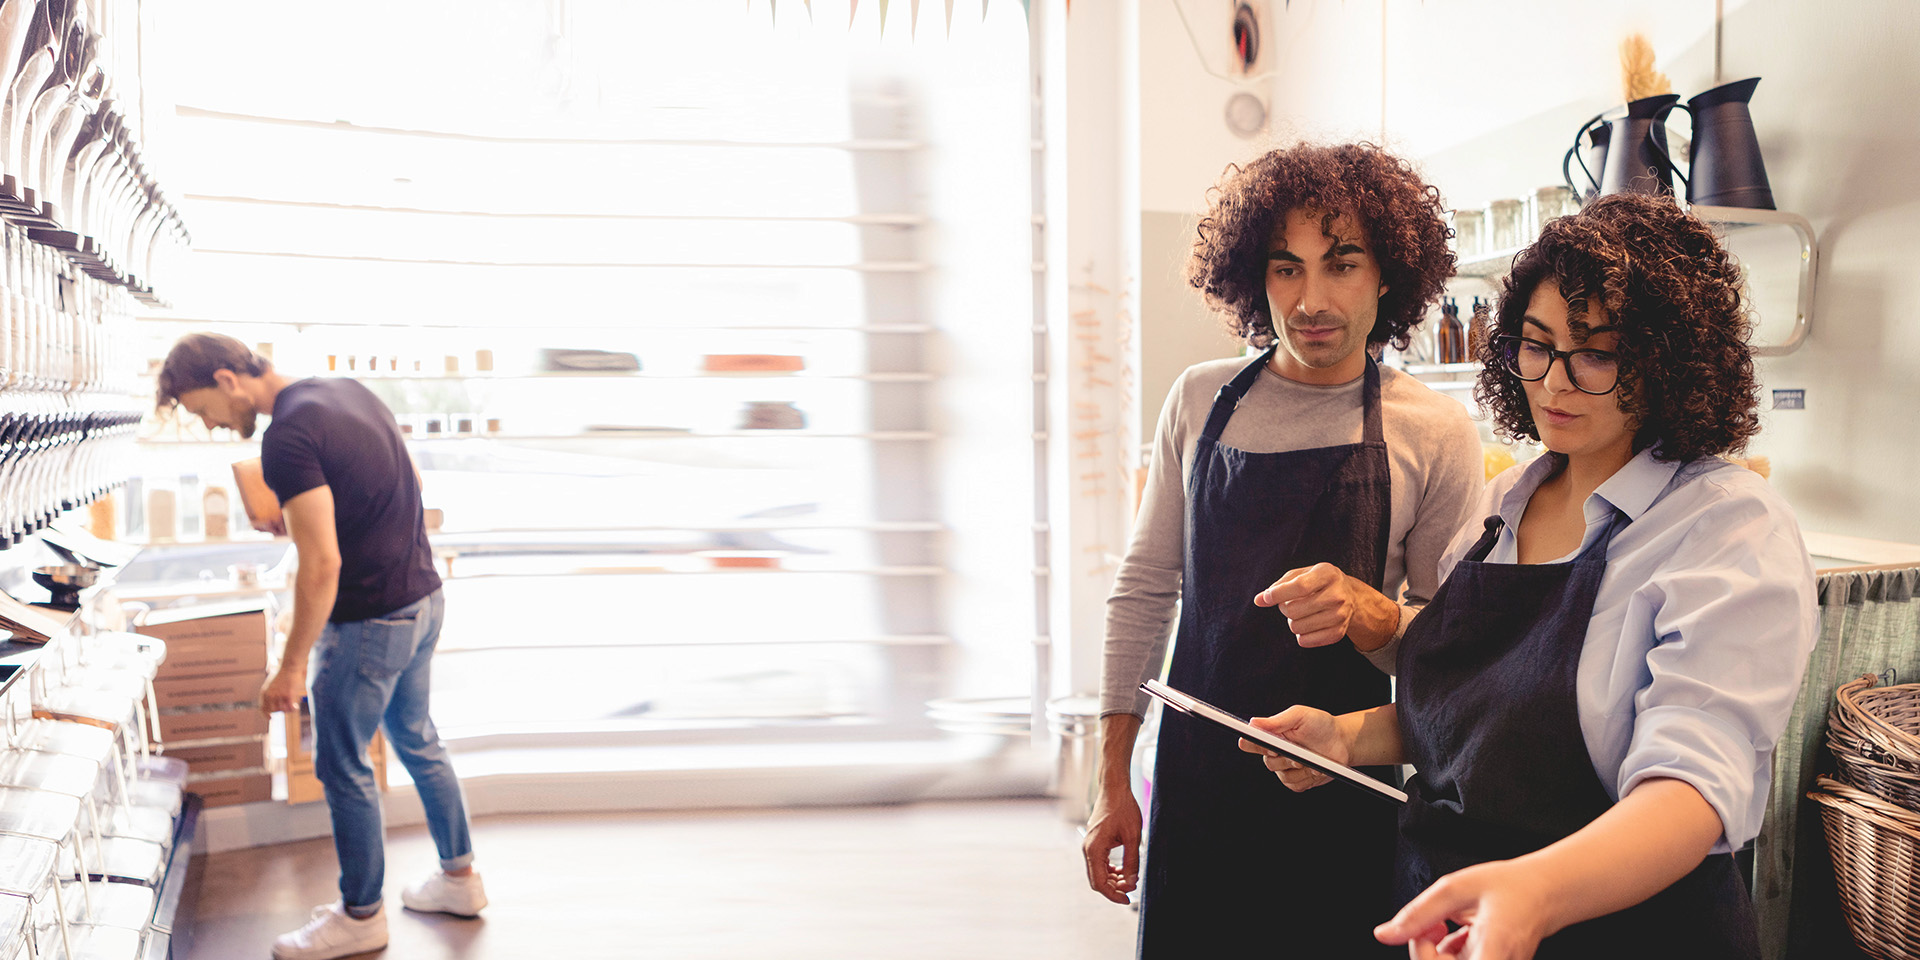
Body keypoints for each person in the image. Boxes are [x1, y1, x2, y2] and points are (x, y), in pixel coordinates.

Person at [1242, 192, 1818, 959]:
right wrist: (1344, 738)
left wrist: (1533, 892)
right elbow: (1476, 721)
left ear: (1670, 359)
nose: (1553, 383)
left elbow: (1692, 792)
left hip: (1625, 932)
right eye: (1536, 345)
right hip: (1448, 920)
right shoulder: (1503, 505)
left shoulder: (1724, 527)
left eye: (1599, 353)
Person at [1082, 142, 1485, 957]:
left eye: (1341, 265)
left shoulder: (1432, 430)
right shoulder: (1200, 400)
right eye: (1285, 269)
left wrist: (1372, 613)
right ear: (1253, 277)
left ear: (1386, 277)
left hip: (1351, 798)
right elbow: (1144, 590)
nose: (1312, 300)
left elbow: (1454, 665)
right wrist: (1111, 781)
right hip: (1199, 788)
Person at [156, 334, 486, 960]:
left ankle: (362, 915)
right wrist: (309, 510)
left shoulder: (286, 436)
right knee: (418, 739)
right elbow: (405, 483)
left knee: (341, 765)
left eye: (205, 410)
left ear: (229, 381)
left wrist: (289, 666)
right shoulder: (344, 391)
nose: (215, 426)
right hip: (422, 598)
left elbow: (321, 565)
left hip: (369, 621)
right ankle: (459, 879)